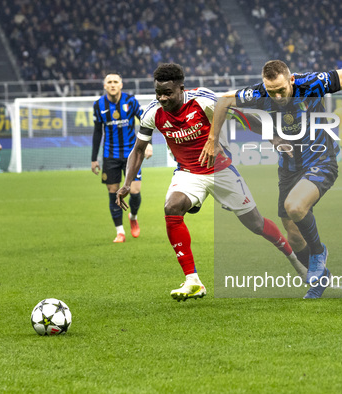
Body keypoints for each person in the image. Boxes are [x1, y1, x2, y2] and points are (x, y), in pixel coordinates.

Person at [116, 63, 304, 302]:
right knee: (171, 206)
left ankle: (295, 260)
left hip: (221, 171)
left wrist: (274, 138)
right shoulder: (152, 113)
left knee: (256, 224)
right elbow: (139, 149)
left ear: (181, 88)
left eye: (168, 93)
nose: (162, 98)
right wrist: (127, 182)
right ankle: (193, 281)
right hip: (188, 173)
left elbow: (241, 117)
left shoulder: (202, 101)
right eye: (158, 93)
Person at [202, 60, 342, 298]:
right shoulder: (259, 93)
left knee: (295, 207)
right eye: (272, 92)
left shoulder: (309, 83)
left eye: (281, 90)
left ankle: (319, 252)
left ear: (290, 80)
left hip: (321, 160)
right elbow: (224, 101)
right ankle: (321, 278)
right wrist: (213, 139)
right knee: (294, 236)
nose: (277, 96)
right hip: (288, 167)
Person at [91, 72, 152, 243]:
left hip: (133, 154)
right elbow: (97, 132)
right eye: (109, 82)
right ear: (105, 86)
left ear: (121, 84)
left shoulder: (130, 101)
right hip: (110, 155)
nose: (112, 84)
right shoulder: (98, 105)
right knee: (113, 192)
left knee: (135, 191)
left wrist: (148, 144)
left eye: (115, 81)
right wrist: (94, 158)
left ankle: (133, 216)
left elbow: (146, 121)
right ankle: (120, 232)